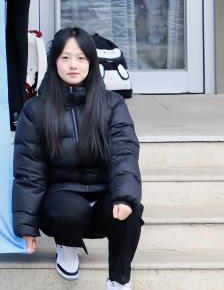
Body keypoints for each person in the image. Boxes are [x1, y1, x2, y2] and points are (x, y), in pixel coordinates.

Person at [14, 27, 143, 290]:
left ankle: (119, 281)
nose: (73, 65)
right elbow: (29, 171)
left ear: (91, 62)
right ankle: (67, 245)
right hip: (61, 200)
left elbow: (124, 154)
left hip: (102, 198)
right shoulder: (35, 110)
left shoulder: (112, 104)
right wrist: (26, 227)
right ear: (54, 62)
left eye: (81, 58)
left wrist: (124, 197)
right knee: (69, 210)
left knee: (131, 210)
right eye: (65, 57)